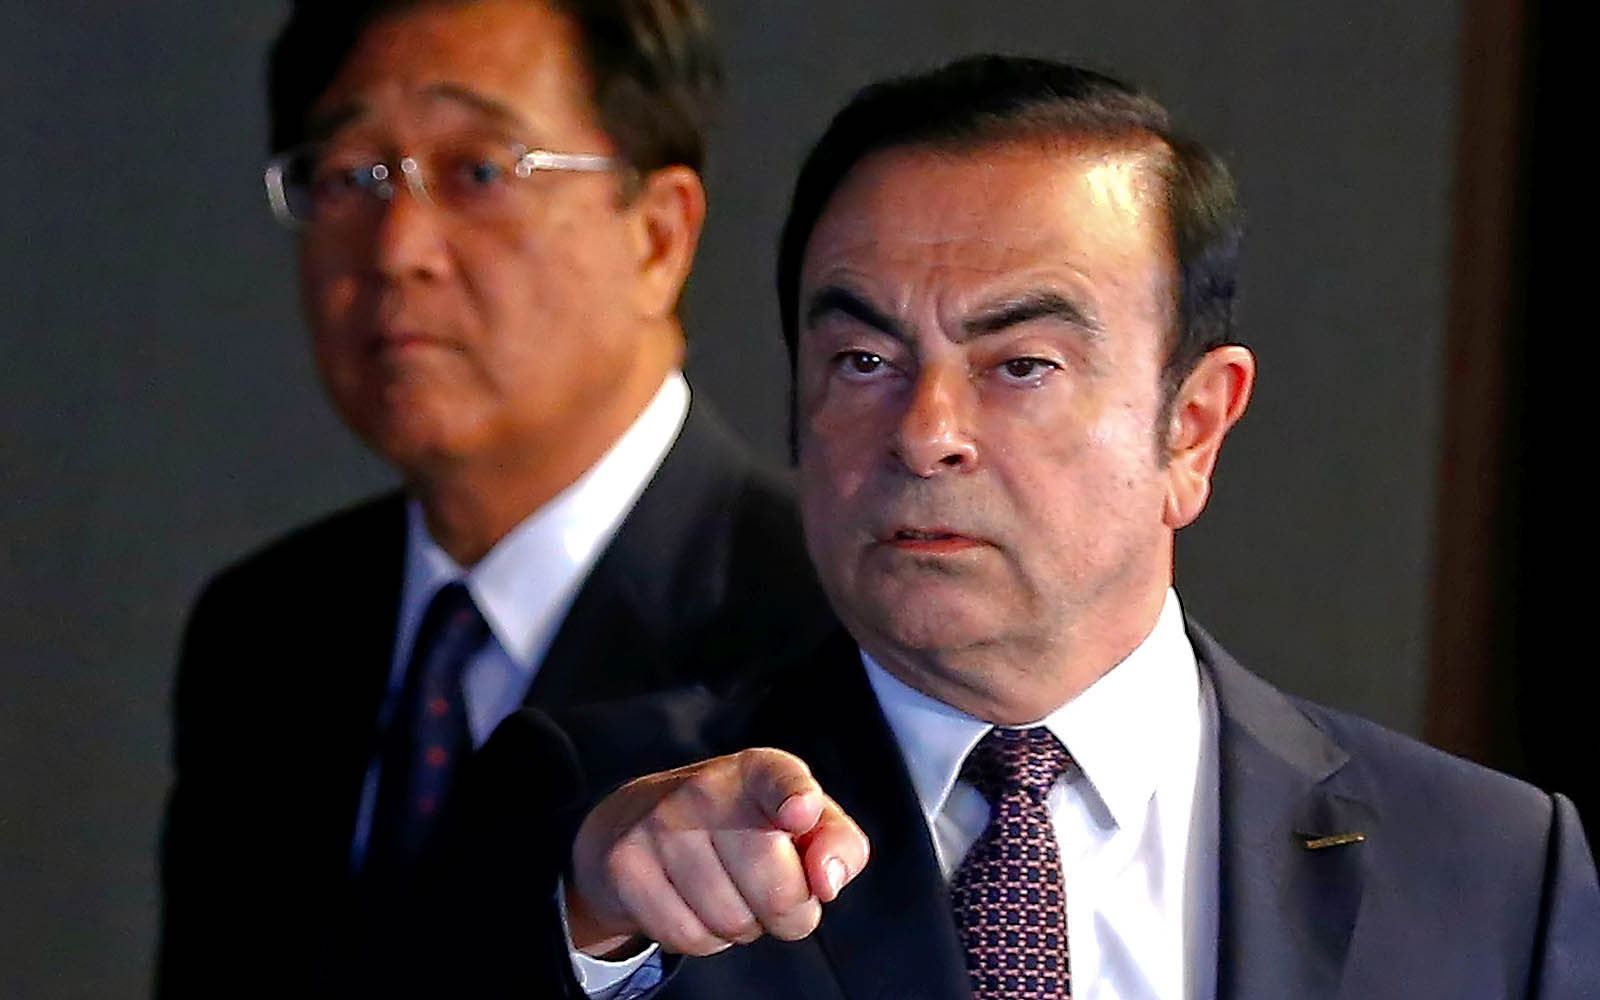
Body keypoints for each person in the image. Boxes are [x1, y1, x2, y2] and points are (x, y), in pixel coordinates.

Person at [476, 55, 1600, 998]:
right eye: (861, 360)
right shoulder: (608, 827)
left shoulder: (1491, 868)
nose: (926, 433)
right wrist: (594, 927)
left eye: (1020, 365)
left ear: (1192, 428)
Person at [155, 0, 832, 993]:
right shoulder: (264, 630)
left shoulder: (828, 626)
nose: (397, 248)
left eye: (478, 171)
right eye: (349, 176)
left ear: (657, 236)